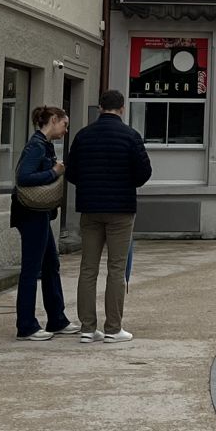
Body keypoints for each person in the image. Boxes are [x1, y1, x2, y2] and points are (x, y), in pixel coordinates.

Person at [65, 90, 152, 344]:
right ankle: (113, 328)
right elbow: (144, 172)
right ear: (122, 109)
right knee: (116, 268)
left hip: (90, 208)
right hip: (121, 209)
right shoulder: (130, 136)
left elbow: (72, 172)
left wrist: (88, 185)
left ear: (101, 107)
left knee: (88, 268)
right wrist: (126, 183)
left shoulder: (83, 135)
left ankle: (87, 328)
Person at [11, 106, 76, 340]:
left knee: (51, 264)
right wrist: (54, 172)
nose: (65, 130)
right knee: (32, 270)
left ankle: (57, 319)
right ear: (53, 119)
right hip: (30, 214)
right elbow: (23, 178)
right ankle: (26, 326)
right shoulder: (36, 145)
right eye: (64, 124)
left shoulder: (43, 144)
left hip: (38, 214)